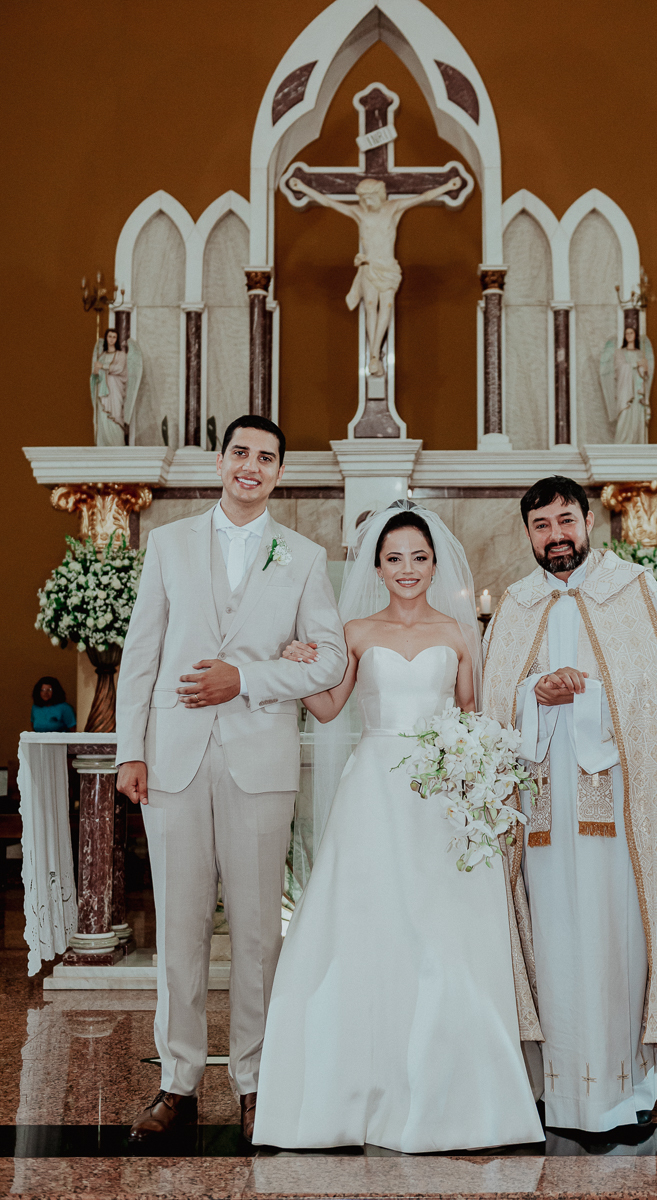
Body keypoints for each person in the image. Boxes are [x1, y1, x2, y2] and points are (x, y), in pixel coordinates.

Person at [251, 504, 543, 1153]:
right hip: (374, 789)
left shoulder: (461, 632)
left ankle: (456, 1089)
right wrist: (299, 666)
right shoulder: (355, 630)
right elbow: (328, 710)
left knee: (443, 928)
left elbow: (472, 715)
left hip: (441, 794)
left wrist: (474, 777)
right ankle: (352, 1086)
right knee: (369, 922)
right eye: (393, 558)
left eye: (418, 557)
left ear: (434, 563)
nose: (407, 569)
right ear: (376, 566)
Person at [482, 476, 657, 1134]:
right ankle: (558, 1084)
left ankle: (626, 1085)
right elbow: (492, 708)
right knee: (553, 931)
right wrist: (531, 697)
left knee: (617, 931)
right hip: (540, 809)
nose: (555, 537)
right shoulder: (514, 606)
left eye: (564, 520)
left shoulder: (632, 589)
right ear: (527, 535)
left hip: (623, 810)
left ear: (588, 521)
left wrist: (591, 695)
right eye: (541, 526)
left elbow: (654, 699)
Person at [114, 414, 347, 1144]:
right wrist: (131, 751)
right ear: (220, 463)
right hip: (174, 759)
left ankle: (254, 1081)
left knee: (255, 935)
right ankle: (177, 1082)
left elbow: (329, 660)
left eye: (266, 457)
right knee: (178, 931)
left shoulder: (303, 557)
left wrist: (244, 677)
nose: (251, 466)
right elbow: (140, 652)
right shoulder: (168, 544)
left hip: (259, 762)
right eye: (240, 453)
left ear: (279, 473)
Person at [288, 174, 461, 376]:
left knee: (385, 307)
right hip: (368, 266)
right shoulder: (359, 213)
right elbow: (329, 202)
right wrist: (303, 187)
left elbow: (423, 197)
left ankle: (374, 354)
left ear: (379, 195)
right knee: (370, 307)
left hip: (387, 267)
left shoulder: (393, 208)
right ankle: (373, 357)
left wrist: (448, 186)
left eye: (370, 198)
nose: (367, 203)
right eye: (364, 199)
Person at [90, 327, 143, 446]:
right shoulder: (102, 355)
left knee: (116, 415)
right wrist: (95, 373)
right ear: (106, 338)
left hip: (115, 389)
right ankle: (103, 443)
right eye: (109, 336)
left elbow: (119, 369)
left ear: (117, 339)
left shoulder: (121, 355)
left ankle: (117, 444)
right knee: (103, 417)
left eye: (114, 337)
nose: (111, 339)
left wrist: (103, 366)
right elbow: (95, 375)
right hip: (102, 391)